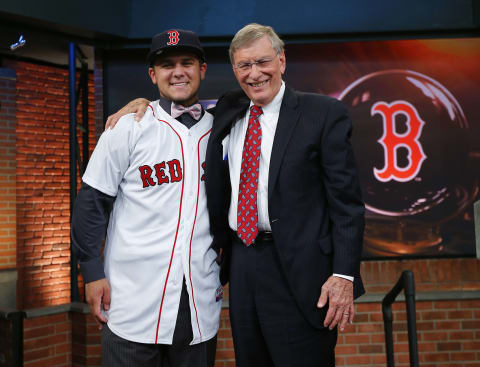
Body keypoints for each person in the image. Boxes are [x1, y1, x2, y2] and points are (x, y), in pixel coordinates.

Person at [107, 23, 365, 367]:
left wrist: (344, 275)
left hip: (302, 273)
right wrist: (144, 104)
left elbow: (347, 205)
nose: (255, 73)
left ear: (282, 61)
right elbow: (182, 111)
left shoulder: (323, 114)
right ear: (234, 70)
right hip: (242, 264)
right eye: (244, 65)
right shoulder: (229, 109)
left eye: (263, 62)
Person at [71, 29, 221, 367]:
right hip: (132, 301)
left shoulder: (222, 129)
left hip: (197, 302)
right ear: (152, 75)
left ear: (202, 69)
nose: (178, 71)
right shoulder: (128, 127)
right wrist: (92, 273)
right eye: (167, 65)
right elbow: (90, 203)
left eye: (187, 62)